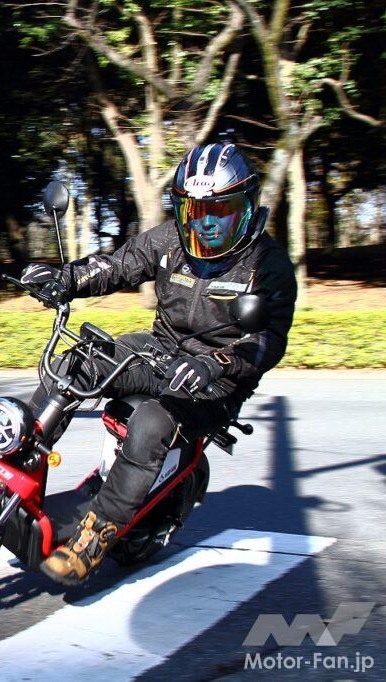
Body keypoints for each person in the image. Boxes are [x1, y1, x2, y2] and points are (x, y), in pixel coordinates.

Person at [20, 143, 297, 584]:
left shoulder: (268, 264)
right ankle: (13, 471)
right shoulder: (170, 240)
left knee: (151, 423)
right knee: (76, 363)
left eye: (220, 210)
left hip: (218, 380)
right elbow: (118, 266)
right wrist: (63, 279)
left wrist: (216, 363)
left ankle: (96, 535)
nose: (205, 223)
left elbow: (268, 342)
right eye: (195, 210)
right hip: (161, 350)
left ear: (246, 208)